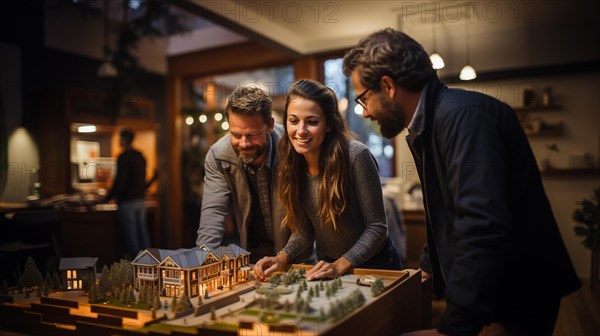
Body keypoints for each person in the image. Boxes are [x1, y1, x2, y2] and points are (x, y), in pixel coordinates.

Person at [342, 28, 581, 335]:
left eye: (363, 99)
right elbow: (444, 210)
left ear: (388, 86)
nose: (365, 112)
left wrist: (454, 329)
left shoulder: (463, 118)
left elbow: (482, 226)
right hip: (497, 288)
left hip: (518, 291)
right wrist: (429, 267)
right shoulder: (430, 122)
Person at [254, 79, 402, 282]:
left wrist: (340, 264)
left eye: (312, 122)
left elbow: (377, 228)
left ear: (330, 124)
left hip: (376, 266)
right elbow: (305, 230)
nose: (301, 131)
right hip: (329, 268)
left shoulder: (356, 156)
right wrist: (282, 257)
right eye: (293, 120)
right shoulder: (290, 163)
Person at [196, 86, 312, 264]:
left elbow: (305, 218)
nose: (244, 143)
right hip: (252, 258)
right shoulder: (218, 156)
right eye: (236, 134)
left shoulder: (294, 148)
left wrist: (284, 257)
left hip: (297, 258)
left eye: (252, 135)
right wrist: (201, 259)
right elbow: (214, 212)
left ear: (270, 125)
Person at [104, 128, 151, 260]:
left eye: (120, 138)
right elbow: (142, 179)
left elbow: (120, 181)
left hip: (127, 202)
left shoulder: (123, 157)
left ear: (124, 139)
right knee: (143, 233)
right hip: (141, 200)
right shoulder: (140, 156)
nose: (119, 140)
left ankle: (138, 264)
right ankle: (149, 262)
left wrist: (107, 198)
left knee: (131, 235)